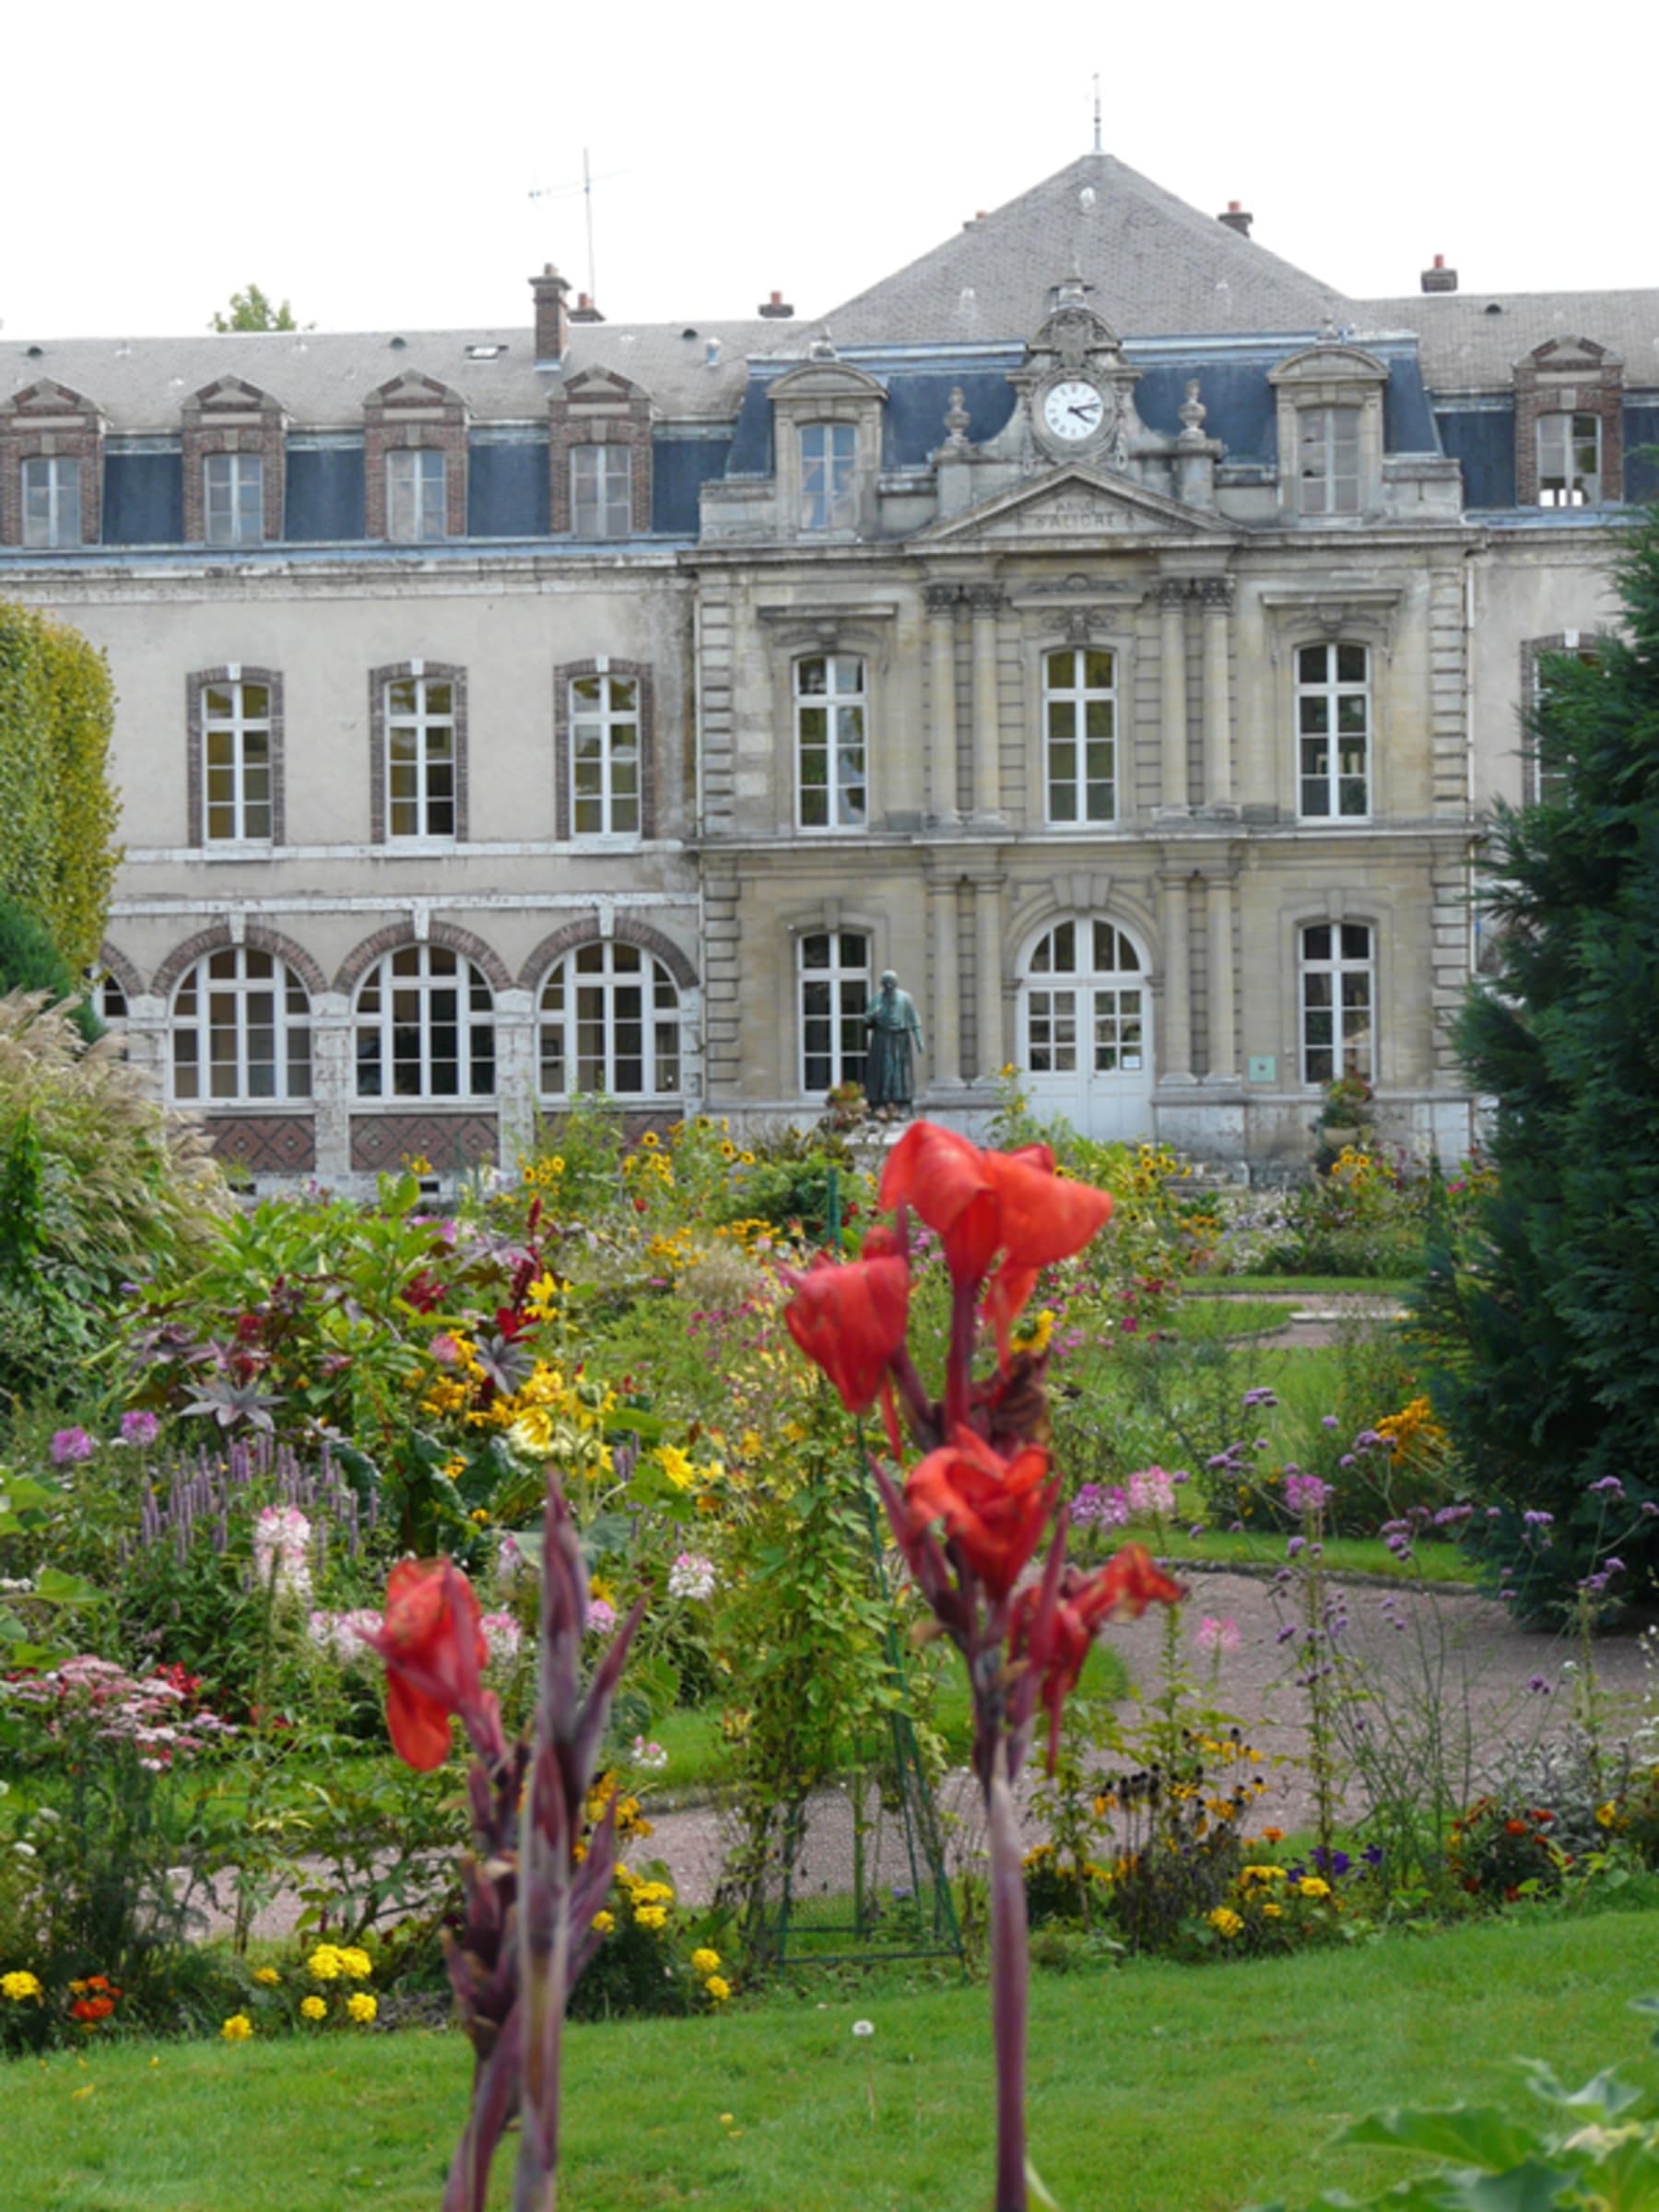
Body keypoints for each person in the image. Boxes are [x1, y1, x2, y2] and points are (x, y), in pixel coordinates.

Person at [863, 970, 924, 1118]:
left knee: (900, 1072)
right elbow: (866, 1020)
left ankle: (901, 1104)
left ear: (896, 984)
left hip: (900, 1039)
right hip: (881, 1038)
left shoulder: (905, 999)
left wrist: (919, 1040)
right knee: (881, 1071)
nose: (889, 987)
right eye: (886, 984)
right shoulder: (878, 999)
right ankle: (880, 1105)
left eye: (891, 984)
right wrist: (873, 1015)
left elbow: (914, 1021)